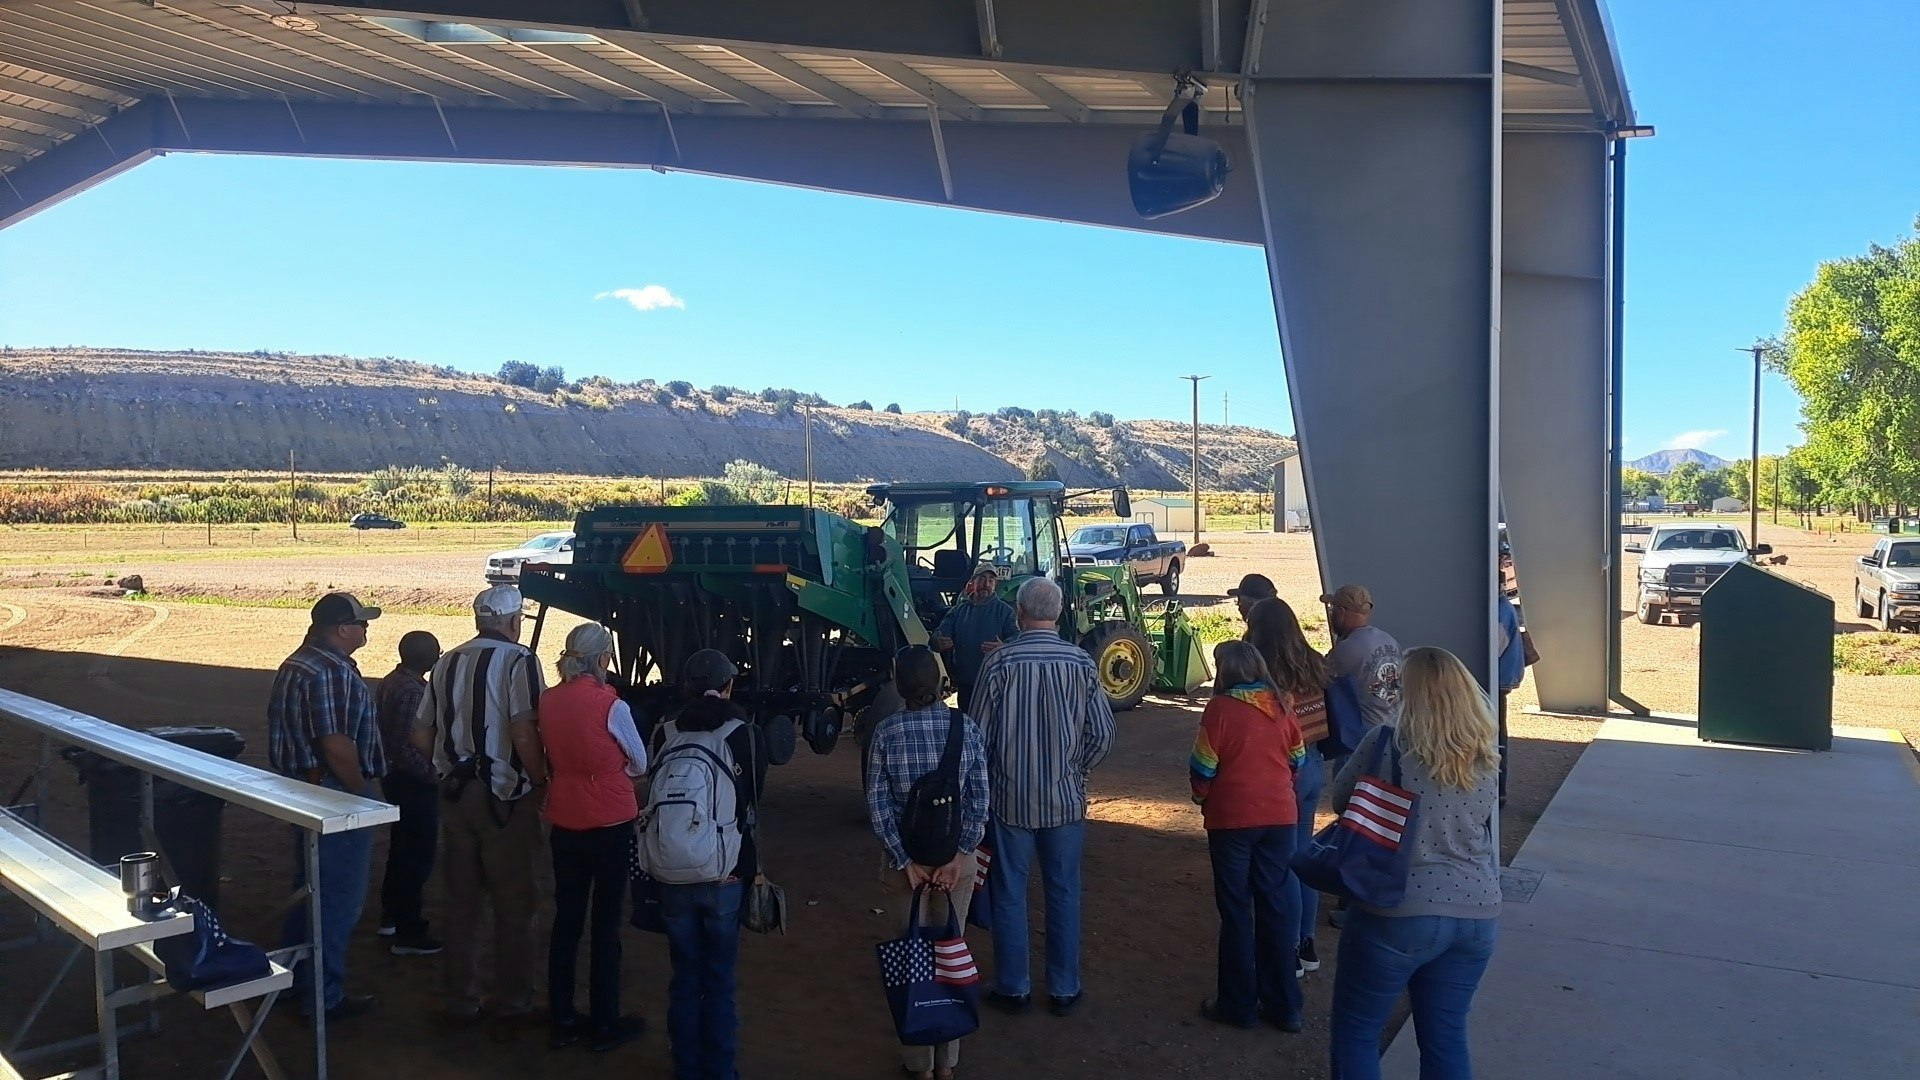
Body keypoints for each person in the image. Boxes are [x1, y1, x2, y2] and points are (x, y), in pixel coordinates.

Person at [1328, 647, 1501, 1080]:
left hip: (1398, 905)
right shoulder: (1484, 752)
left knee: (1357, 1032)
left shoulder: (1385, 743)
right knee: (1445, 1035)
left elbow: (1342, 801)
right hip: (1477, 910)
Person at [970, 577, 1115, 1018]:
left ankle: (1013, 987)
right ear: (1058, 612)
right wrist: (1075, 770)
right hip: (1065, 800)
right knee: (1064, 890)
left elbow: (978, 737)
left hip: (1009, 798)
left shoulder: (999, 665)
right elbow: (1103, 735)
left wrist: (995, 776)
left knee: (1010, 891)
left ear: (1018, 612)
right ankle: (1064, 987)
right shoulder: (1081, 664)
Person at [410, 585, 551, 1033]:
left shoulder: (447, 660)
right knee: (514, 902)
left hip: (455, 794)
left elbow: (419, 733)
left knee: (462, 901)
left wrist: (444, 768)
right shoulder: (520, 661)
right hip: (506, 797)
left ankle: (460, 998)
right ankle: (511, 1001)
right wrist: (542, 781)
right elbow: (524, 731)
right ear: (513, 622)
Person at [865, 645, 991, 1080]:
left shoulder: (886, 733)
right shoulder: (967, 729)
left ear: (899, 684)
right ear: (939, 682)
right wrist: (961, 855)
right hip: (956, 864)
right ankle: (947, 1064)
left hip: (906, 871)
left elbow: (878, 804)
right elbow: (979, 800)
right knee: (950, 953)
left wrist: (904, 860)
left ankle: (917, 1063)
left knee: (910, 958)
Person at [267, 591, 387, 1020]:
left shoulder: (299, 663)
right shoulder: (331, 671)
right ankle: (324, 996)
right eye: (361, 622)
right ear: (341, 629)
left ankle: (291, 981)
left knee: (309, 890)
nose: (366, 628)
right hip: (334, 795)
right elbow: (335, 743)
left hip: (304, 791)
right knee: (338, 899)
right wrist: (360, 794)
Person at [650, 649, 767, 1080]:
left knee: (684, 975)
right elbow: (753, 800)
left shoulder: (663, 732)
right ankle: (720, 1072)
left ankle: (686, 1068)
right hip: (725, 873)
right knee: (719, 979)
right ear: (730, 684)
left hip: (670, 870)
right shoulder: (744, 734)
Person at [541, 623, 649, 1053]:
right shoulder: (610, 705)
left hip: (565, 816)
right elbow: (639, 762)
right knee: (606, 926)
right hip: (609, 821)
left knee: (566, 921)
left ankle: (562, 1017)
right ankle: (605, 1021)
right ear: (603, 658)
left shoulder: (548, 699)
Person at [1189, 640, 1307, 1033]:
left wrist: (1201, 798)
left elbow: (1203, 767)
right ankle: (1285, 1006)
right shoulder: (1283, 705)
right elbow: (1298, 759)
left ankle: (1237, 1004)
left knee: (1237, 911)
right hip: (1280, 817)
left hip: (1231, 820)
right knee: (1275, 906)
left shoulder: (1219, 709)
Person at [1244, 597, 1333, 976]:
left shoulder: (1258, 668)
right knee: (1303, 856)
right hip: (1313, 764)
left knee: (1274, 865)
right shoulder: (1314, 660)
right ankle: (1306, 943)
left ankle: (1285, 948)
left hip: (1278, 770)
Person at [375, 629, 443, 957]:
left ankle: (392, 915)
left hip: (397, 779)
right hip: (411, 782)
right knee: (416, 854)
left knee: (402, 849)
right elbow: (403, 747)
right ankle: (408, 929)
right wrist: (433, 776)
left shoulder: (393, 681)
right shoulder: (414, 692)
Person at [932, 567, 1018, 715]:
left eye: (991, 580)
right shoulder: (958, 611)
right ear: (973, 582)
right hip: (966, 682)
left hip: (995, 682)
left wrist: (1003, 647)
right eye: (982, 579)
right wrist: (937, 642)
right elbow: (939, 635)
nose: (986, 583)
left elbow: (1017, 638)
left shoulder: (1005, 611)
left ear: (995, 585)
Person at [1323, 584, 1403, 731]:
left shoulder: (1347, 648)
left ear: (1341, 612)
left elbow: (1319, 681)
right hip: (1396, 727)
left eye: (1332, 608)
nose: (1330, 613)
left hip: (1367, 736)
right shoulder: (1388, 639)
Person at [1496, 590, 1525, 809]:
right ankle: (1499, 791)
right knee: (1497, 735)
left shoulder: (1499, 611)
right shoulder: (1503, 608)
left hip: (1496, 682)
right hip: (1502, 679)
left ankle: (1498, 791)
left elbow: (1492, 649)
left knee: (1495, 738)